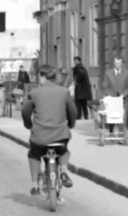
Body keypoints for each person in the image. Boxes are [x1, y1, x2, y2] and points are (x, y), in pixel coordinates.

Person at [20, 64, 78, 197]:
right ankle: (63, 171)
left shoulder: (34, 93)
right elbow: (73, 111)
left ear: (42, 77)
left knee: (34, 155)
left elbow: (25, 112)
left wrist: (28, 125)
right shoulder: (64, 91)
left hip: (40, 137)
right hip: (60, 136)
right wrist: (70, 124)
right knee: (63, 151)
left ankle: (35, 184)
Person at [99, 57, 128, 137]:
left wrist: (123, 95)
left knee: (121, 116)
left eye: (119, 63)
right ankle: (111, 131)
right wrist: (109, 95)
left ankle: (121, 135)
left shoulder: (126, 73)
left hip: (122, 99)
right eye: (116, 63)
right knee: (111, 116)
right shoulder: (108, 73)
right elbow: (105, 86)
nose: (118, 65)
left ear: (122, 63)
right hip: (111, 98)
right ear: (114, 63)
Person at [71, 57, 92, 123]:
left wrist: (76, 80)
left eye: (75, 61)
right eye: (74, 61)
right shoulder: (81, 67)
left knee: (79, 103)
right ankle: (85, 115)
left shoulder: (79, 68)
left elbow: (80, 75)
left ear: (79, 61)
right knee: (83, 103)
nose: (74, 62)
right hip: (83, 89)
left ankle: (79, 115)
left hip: (80, 89)